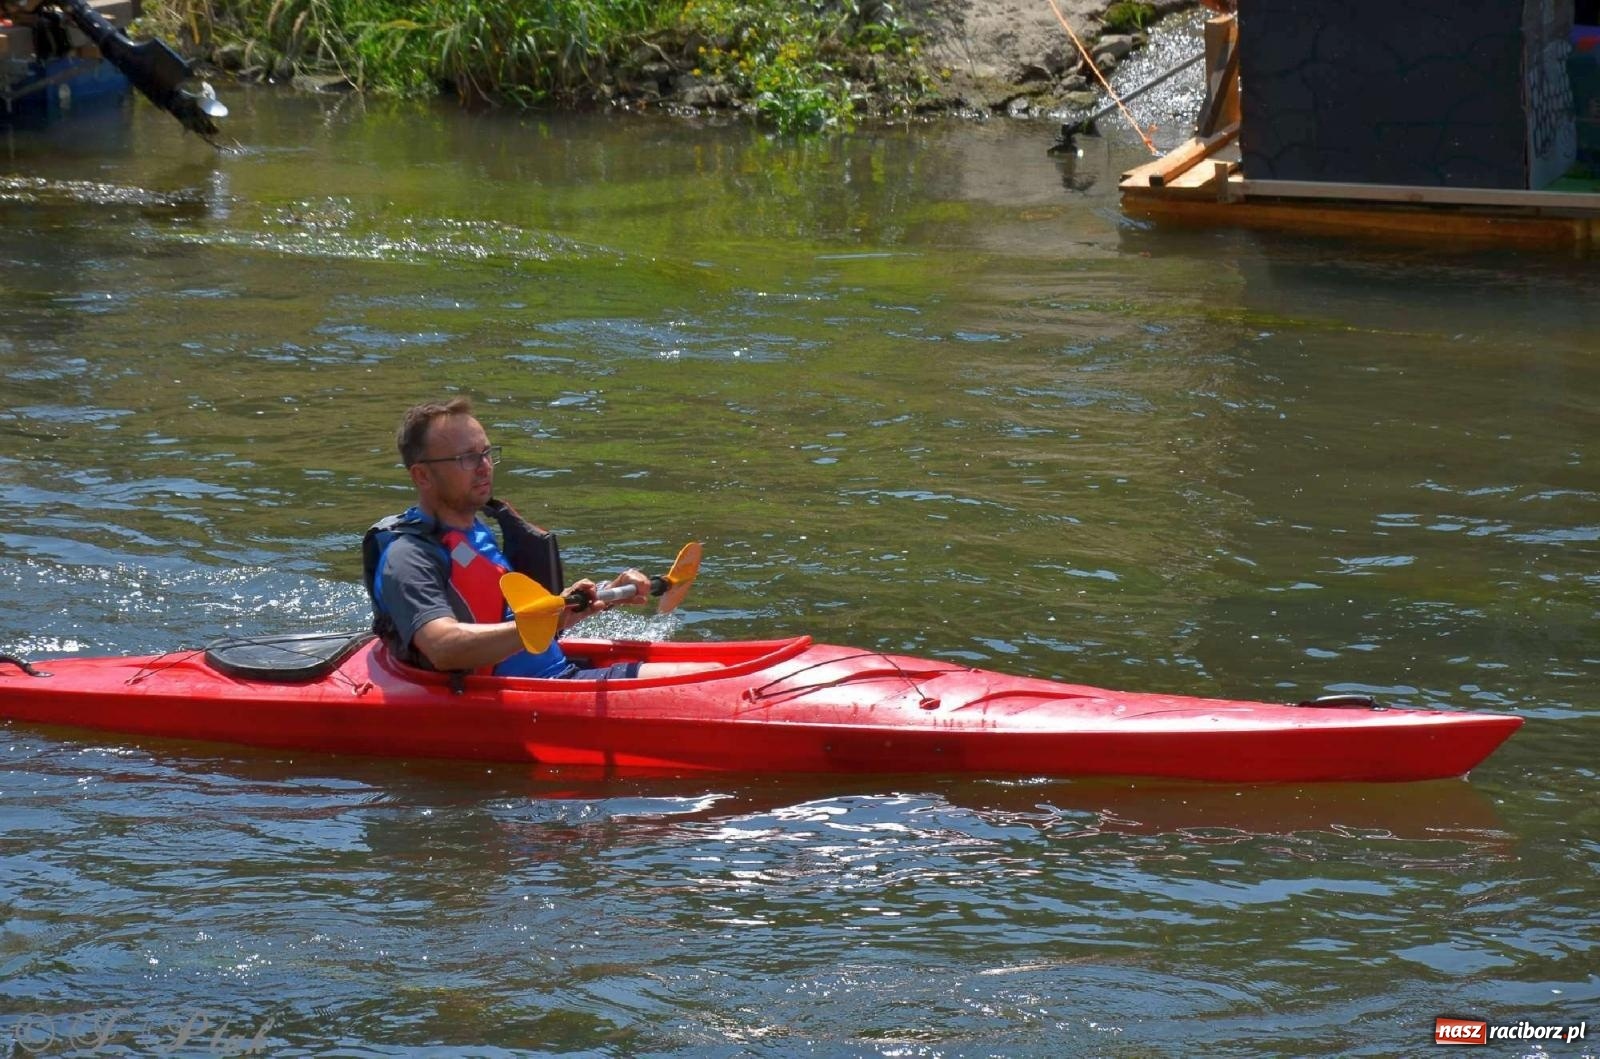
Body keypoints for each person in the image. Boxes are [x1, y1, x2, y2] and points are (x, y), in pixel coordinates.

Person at [361, 397, 704, 680]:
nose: (484, 466)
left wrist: (597, 597)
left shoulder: (475, 531)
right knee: (704, 677)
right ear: (422, 475)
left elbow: (512, 625)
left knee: (717, 670)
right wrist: (545, 621)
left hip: (555, 674)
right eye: (466, 458)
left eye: (486, 453)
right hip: (513, 694)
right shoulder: (408, 557)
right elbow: (444, 647)